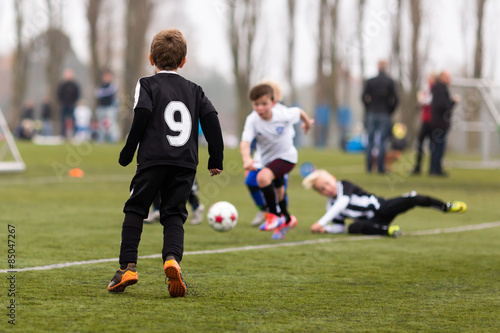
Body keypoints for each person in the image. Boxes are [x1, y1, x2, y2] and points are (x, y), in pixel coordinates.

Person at [107, 29, 224, 297]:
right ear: (183, 61)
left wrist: (127, 152)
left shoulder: (146, 84)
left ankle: (127, 267)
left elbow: (143, 113)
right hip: (185, 164)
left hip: (153, 160)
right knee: (174, 214)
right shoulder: (195, 90)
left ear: (151, 58)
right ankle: (172, 259)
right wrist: (215, 159)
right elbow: (212, 121)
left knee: (136, 207)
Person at [240, 83, 314, 240]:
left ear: (273, 103)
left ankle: (273, 215)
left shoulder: (283, 114)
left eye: (264, 104)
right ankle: (286, 219)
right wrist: (247, 159)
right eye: (256, 104)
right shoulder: (252, 120)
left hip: (287, 157)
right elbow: (245, 142)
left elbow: (299, 112)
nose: (260, 108)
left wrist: (307, 123)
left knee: (263, 178)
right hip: (267, 160)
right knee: (278, 190)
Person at [302, 169, 467, 237]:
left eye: (327, 184)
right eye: (322, 189)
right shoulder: (330, 207)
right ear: (320, 193)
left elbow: (343, 203)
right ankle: (388, 231)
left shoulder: (344, 186)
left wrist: (321, 222)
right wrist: (326, 229)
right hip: (374, 222)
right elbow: (338, 227)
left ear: (333, 178)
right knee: (353, 228)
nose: (328, 189)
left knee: (413, 198)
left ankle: (445, 207)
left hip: (382, 208)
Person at [245, 80, 289, 227]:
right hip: (261, 158)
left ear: (274, 97)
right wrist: (248, 159)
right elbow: (249, 139)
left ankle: (282, 216)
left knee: (280, 190)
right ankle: (264, 209)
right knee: (251, 182)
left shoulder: (283, 113)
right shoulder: (255, 115)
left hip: (280, 159)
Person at [362, 60, 399, 174]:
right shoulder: (390, 81)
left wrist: (369, 108)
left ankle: (369, 168)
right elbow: (396, 99)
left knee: (370, 140)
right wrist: (390, 110)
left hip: (372, 113)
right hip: (384, 113)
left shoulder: (370, 81)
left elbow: (363, 97)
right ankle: (380, 168)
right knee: (382, 141)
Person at [429, 71, 459, 176]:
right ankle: (435, 170)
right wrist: (453, 102)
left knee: (437, 147)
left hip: (437, 122)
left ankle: (435, 169)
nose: (449, 80)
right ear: (442, 77)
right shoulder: (440, 89)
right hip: (440, 123)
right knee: (438, 147)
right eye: (447, 77)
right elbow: (443, 106)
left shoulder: (438, 88)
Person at [412, 73, 436, 175]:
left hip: (432, 121)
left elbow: (429, 101)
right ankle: (417, 167)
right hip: (425, 120)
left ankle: (433, 168)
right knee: (419, 144)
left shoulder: (435, 90)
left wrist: (421, 99)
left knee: (432, 145)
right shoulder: (427, 90)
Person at [95, 69, 120, 143]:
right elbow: (97, 95)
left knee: (111, 124)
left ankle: (112, 139)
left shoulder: (113, 86)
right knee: (101, 125)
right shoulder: (100, 86)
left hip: (110, 108)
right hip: (101, 107)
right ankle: (101, 139)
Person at [57, 69, 80, 139]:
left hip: (72, 105)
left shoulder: (75, 85)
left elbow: (77, 94)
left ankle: (74, 134)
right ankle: (63, 134)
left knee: (73, 120)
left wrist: (74, 102)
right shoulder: (62, 85)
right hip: (64, 105)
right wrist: (61, 102)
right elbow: (59, 94)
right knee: (63, 120)